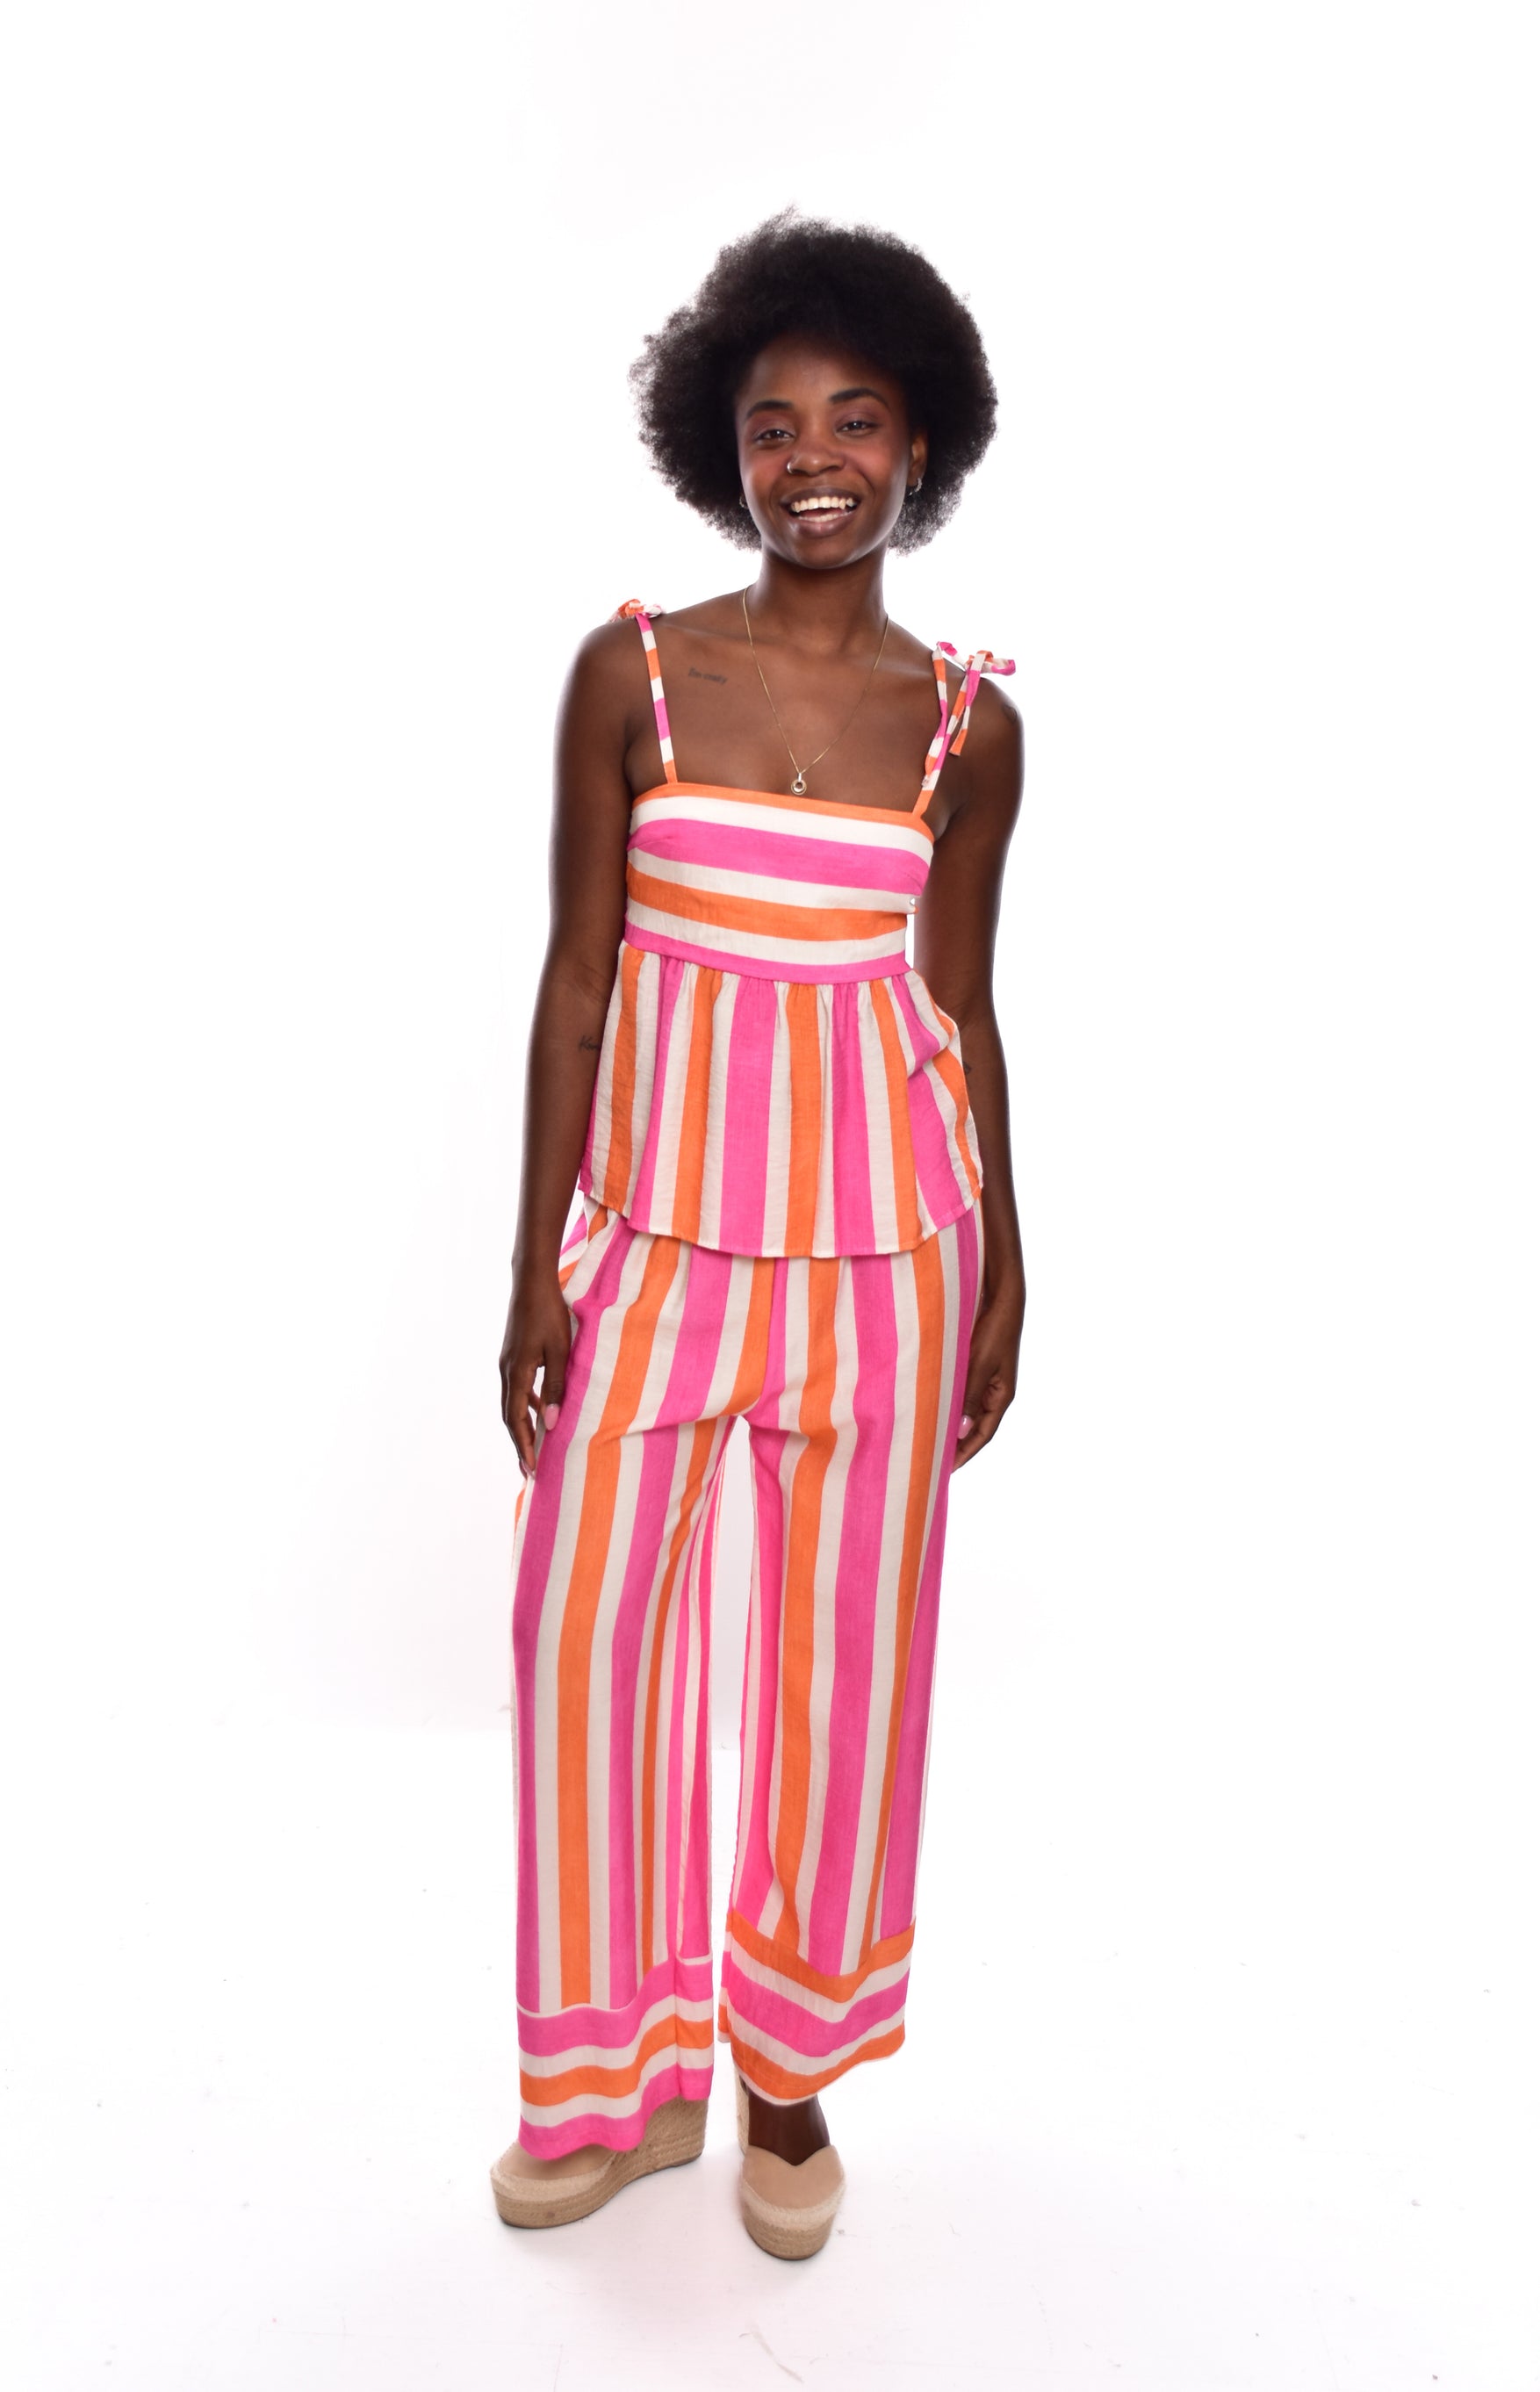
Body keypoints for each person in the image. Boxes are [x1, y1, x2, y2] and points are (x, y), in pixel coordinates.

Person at [488, 212, 1025, 2260]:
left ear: (919, 446)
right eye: (774, 424)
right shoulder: (631, 674)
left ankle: (785, 2081)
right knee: (582, 1645)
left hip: (889, 1264)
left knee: (838, 1684)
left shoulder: (967, 726)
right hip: (655, 1251)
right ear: (723, 451)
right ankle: (615, 2087)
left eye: (856, 420)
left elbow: (958, 1008)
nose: (814, 458)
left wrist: (1008, 1260)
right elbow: (577, 979)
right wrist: (532, 1267)